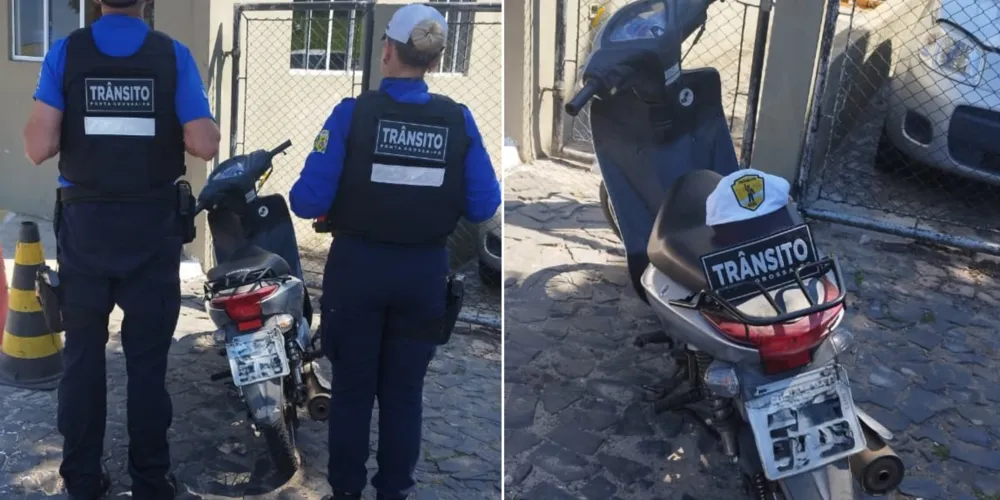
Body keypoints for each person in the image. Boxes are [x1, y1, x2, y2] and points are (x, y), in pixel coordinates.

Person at [288, 4, 501, 499]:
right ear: (434, 61)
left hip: (357, 271)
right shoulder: (458, 121)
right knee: (405, 395)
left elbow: (307, 201)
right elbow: (484, 203)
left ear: (387, 51)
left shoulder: (351, 114)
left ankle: (345, 491)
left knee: (352, 395)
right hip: (423, 273)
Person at [22, 0, 220, 498]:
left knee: (83, 359)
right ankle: (151, 480)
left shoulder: (66, 53)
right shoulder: (171, 55)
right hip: (151, 230)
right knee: (148, 364)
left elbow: (37, 147)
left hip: (86, 231)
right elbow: (205, 143)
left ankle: (83, 480)